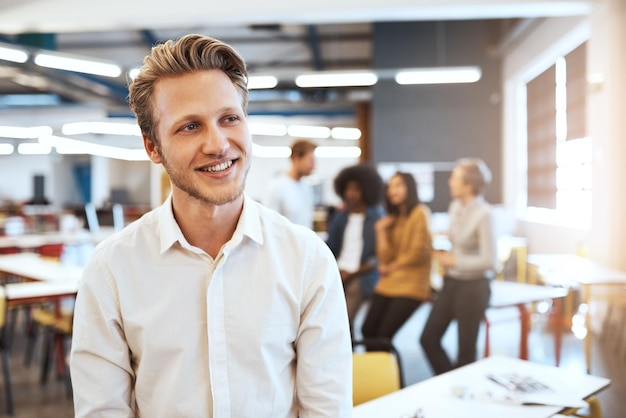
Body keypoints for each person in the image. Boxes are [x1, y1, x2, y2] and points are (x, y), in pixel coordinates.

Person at [69, 34, 352, 418]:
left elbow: (326, 410)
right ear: (152, 146)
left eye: (229, 118)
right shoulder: (111, 271)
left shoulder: (308, 261)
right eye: (190, 127)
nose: (218, 144)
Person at [420, 158, 498, 375]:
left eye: (454, 177)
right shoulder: (455, 207)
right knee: (428, 338)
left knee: (466, 352)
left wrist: (453, 260)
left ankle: (462, 392)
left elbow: (489, 261)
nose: (449, 182)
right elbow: (458, 241)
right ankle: (450, 381)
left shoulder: (485, 214)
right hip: (451, 282)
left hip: (474, 288)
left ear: (468, 185)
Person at [361, 172, 432, 346]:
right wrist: (381, 231)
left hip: (412, 285)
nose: (393, 190)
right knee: (367, 330)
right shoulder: (392, 219)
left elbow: (418, 252)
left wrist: (390, 267)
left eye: (398, 185)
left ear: (410, 187)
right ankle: (378, 371)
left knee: (383, 336)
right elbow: (385, 257)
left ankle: (386, 372)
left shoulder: (420, 213)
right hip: (388, 282)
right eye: (390, 186)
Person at [325, 164, 385, 334]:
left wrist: (353, 272)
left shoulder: (377, 218)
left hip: (363, 275)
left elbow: (378, 257)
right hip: (338, 271)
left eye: (356, 189)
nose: (350, 194)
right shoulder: (340, 218)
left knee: (345, 318)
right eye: (347, 189)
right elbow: (330, 248)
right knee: (328, 317)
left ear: (366, 190)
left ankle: (349, 356)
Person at [264, 139, 317, 228]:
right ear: (296, 158)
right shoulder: (277, 187)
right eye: (310, 160)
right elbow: (268, 224)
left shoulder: (306, 188)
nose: (314, 165)